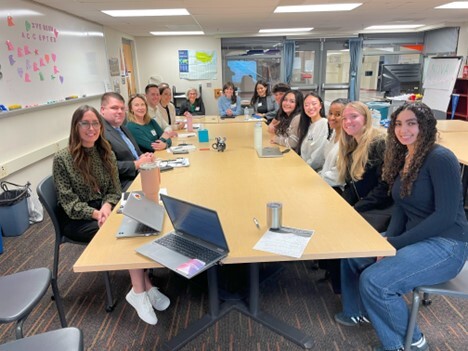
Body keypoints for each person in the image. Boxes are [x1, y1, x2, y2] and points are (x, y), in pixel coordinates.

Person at [335, 102, 468, 351]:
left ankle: (412, 342)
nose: (402, 130)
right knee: (353, 254)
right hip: (415, 237)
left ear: (425, 126)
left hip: (447, 245)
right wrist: (386, 242)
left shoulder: (440, 158)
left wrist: (393, 244)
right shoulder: (407, 156)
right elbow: (401, 207)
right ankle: (360, 313)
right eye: (398, 124)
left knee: (376, 281)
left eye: (411, 123)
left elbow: (445, 217)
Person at [53, 105, 170, 326]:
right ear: (75, 127)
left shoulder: (104, 150)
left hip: (104, 209)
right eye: (85, 123)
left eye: (95, 123)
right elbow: (69, 203)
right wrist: (96, 212)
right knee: (123, 230)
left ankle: (143, 288)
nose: (91, 128)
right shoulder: (63, 159)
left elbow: (114, 188)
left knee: (138, 222)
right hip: (78, 218)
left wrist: (107, 205)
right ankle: (141, 289)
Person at [101, 92, 154, 190]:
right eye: (114, 108)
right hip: (124, 183)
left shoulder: (123, 128)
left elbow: (136, 152)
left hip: (140, 173)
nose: (120, 111)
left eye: (122, 108)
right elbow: (107, 166)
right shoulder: (101, 133)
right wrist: (137, 164)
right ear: (103, 110)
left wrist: (143, 156)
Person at [319, 98, 349, 189]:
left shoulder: (348, 141)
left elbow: (339, 176)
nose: (332, 118)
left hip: (336, 189)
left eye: (338, 114)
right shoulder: (334, 133)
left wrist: (317, 179)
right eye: (330, 113)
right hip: (324, 181)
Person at [296, 92, 328, 170]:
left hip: (313, 170)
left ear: (320, 105)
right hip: (305, 166)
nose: (310, 107)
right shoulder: (309, 124)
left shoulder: (323, 123)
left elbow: (318, 156)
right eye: (306, 105)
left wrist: (302, 168)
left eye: (314, 104)